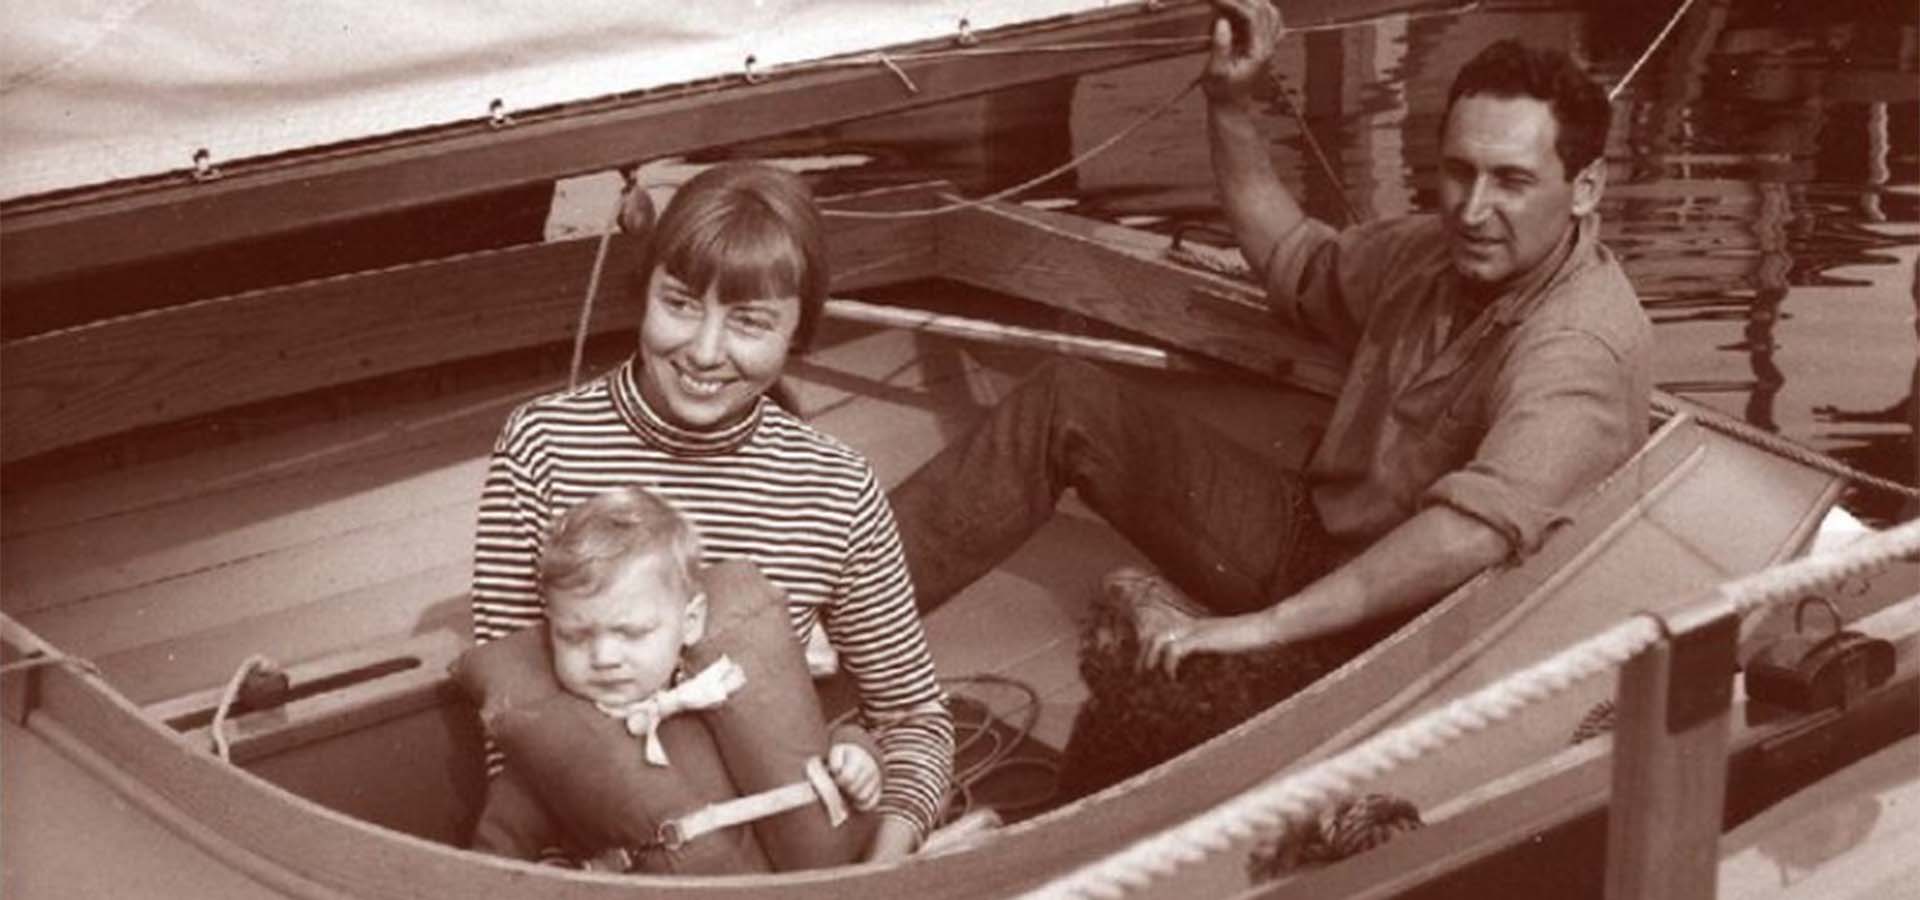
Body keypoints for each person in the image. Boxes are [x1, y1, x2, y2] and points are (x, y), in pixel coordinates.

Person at [887, 0, 1651, 787]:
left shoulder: (1577, 344)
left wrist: (1260, 630)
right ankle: (848, 616)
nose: (1473, 207)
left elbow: (1473, 532)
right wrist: (1229, 103)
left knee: (1145, 701)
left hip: (1407, 631)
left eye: (1513, 182)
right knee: (1068, 399)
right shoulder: (1435, 254)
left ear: (1586, 188)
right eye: (1458, 170)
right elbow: (1293, 258)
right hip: (1305, 537)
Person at [470, 162, 952, 861]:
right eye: (680, 303)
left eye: (749, 322)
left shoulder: (837, 487)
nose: (703, 350)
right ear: (644, 296)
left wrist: (882, 869)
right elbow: (515, 720)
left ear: (796, 335)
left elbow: (914, 718)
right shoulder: (541, 446)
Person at [469, 485, 882, 859]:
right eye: (574, 637)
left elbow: (820, 738)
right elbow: (495, 865)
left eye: (632, 632)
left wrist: (856, 755)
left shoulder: (724, 690)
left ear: (690, 622)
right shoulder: (547, 757)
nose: (604, 656)